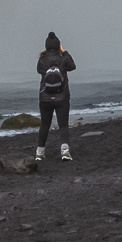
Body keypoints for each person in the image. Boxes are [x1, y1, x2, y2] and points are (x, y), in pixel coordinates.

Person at [36, 31, 76, 161]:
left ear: (46, 46)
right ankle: (65, 152)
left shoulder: (42, 60)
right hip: (62, 97)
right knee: (63, 125)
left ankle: (40, 153)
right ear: (58, 45)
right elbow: (72, 66)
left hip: (45, 98)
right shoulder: (63, 58)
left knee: (45, 124)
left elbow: (39, 70)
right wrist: (64, 51)